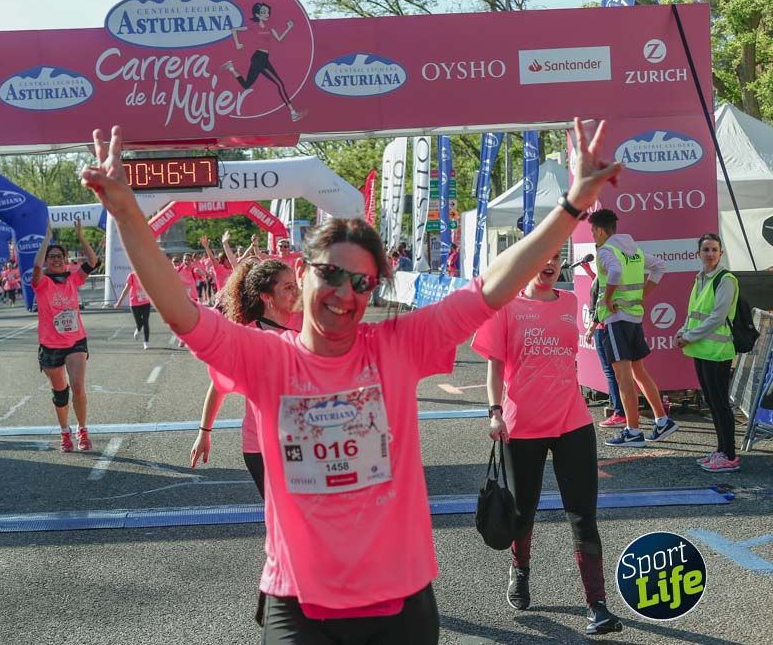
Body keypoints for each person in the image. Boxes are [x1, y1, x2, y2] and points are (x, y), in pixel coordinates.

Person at [80, 118, 622, 642]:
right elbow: (181, 313)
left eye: (361, 282)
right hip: (300, 608)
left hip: (401, 605)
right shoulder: (267, 359)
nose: (344, 292)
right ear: (304, 270)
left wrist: (572, 204)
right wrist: (127, 212)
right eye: (331, 274)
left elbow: (491, 287)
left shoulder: (397, 347)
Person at [473, 250, 623, 636]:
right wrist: (494, 411)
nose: (550, 262)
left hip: (572, 421)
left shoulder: (570, 301)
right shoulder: (506, 305)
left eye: (557, 256)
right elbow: (493, 364)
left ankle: (598, 605)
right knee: (523, 511)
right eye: (542, 254)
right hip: (522, 425)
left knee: (583, 514)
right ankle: (520, 570)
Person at [189, 257, 301, 496]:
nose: (297, 291)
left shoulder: (307, 323)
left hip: (306, 439)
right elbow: (218, 387)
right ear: (266, 296)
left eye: (296, 284)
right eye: (289, 287)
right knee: (281, 516)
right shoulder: (245, 338)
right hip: (260, 445)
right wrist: (204, 433)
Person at [589, 209, 678, 448]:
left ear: (599, 230)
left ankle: (633, 431)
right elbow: (659, 266)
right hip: (634, 319)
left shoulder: (606, 251)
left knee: (623, 377)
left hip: (616, 320)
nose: (593, 237)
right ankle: (662, 420)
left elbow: (616, 271)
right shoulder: (634, 251)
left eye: (593, 232)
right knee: (639, 372)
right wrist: (643, 295)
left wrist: (607, 298)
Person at [32, 219, 98, 453]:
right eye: (52, 256)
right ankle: (64, 431)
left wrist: (81, 236)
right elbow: (37, 269)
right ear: (48, 261)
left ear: (66, 259)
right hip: (50, 346)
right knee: (61, 394)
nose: (56, 259)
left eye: (60, 255)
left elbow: (92, 261)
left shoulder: (73, 278)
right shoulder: (42, 283)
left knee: (78, 387)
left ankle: (82, 429)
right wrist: (46, 240)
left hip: (75, 342)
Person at [677, 234, 741, 473]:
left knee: (720, 404)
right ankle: (721, 450)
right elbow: (694, 312)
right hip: (702, 350)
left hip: (718, 352)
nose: (710, 254)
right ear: (699, 253)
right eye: (706, 250)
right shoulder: (701, 278)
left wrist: (689, 337)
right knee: (712, 403)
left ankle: (730, 455)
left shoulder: (726, 280)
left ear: (721, 253)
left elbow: (717, 317)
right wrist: (682, 331)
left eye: (714, 249)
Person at [224, 2, 303, 122]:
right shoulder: (253, 26)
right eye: (263, 12)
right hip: (259, 58)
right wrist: (237, 43)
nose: (266, 14)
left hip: (263, 58)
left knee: (246, 85)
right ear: (257, 14)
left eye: (267, 12)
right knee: (279, 84)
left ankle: (231, 68)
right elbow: (234, 29)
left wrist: (289, 27)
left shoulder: (269, 27)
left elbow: (279, 38)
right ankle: (293, 112)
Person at [582, 270, 627, 428]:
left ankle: (620, 413)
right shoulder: (607, 274)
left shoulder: (607, 275)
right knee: (618, 372)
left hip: (604, 327)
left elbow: (601, 303)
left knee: (611, 372)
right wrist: (587, 270)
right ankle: (622, 412)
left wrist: (591, 328)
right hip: (607, 326)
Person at [114, 271, 152, 350]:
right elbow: (126, 289)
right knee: (139, 322)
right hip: (134, 303)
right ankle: (138, 329)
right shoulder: (132, 275)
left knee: (145, 321)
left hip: (145, 302)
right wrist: (119, 302)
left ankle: (146, 342)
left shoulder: (147, 274)